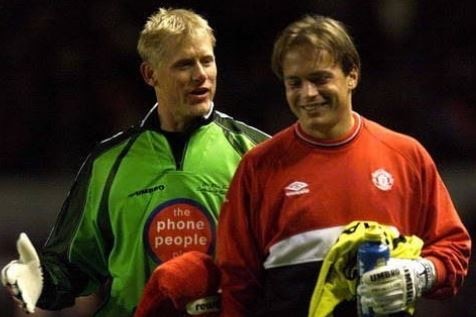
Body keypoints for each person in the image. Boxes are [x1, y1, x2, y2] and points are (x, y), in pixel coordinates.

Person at [1, 7, 269, 317]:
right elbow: (75, 265)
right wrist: (40, 283)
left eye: (207, 61)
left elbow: (285, 255)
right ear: (150, 73)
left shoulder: (255, 151)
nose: (201, 75)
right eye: (184, 65)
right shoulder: (108, 163)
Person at [216, 14, 471, 317]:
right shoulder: (258, 167)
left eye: (320, 78)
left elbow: (453, 249)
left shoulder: (406, 156)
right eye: (294, 83)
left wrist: (421, 273)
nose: (308, 93)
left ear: (352, 75)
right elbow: (235, 282)